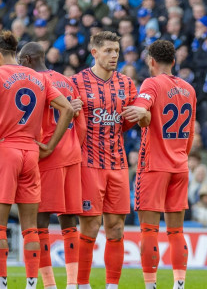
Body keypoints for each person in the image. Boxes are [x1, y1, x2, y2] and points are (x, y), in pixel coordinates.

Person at [0, 32, 73, 289]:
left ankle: (2, 285)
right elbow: (67, 108)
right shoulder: (38, 78)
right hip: (31, 153)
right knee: (30, 227)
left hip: (6, 150)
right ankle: (32, 284)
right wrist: (50, 145)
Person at [122, 40, 194, 289]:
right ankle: (179, 284)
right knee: (176, 231)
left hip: (154, 165)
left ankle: (151, 285)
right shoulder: (189, 89)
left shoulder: (151, 83)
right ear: (173, 62)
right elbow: (191, 134)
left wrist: (139, 113)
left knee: (149, 230)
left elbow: (141, 106)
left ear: (151, 61)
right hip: (180, 165)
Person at [71, 31, 138, 289]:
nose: (114, 56)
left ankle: (112, 286)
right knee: (89, 226)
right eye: (109, 51)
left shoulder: (127, 84)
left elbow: (131, 122)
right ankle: (82, 284)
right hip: (89, 164)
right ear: (94, 52)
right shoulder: (77, 82)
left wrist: (142, 114)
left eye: (117, 51)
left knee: (116, 229)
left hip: (119, 165)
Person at [18, 42, 84, 289]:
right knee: (69, 222)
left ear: (26, 60)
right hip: (72, 154)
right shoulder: (67, 82)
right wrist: (73, 146)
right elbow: (82, 125)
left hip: (48, 155)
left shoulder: (33, 83)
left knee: (39, 222)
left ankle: (48, 285)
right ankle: (72, 284)